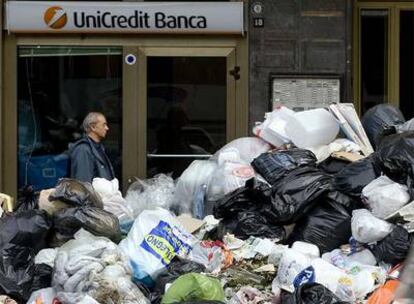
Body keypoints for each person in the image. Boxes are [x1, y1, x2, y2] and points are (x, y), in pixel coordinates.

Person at [69, 112, 115, 183]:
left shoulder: (98, 147)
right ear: (93, 127)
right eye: (104, 125)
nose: (107, 128)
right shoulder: (83, 150)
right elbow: (83, 184)